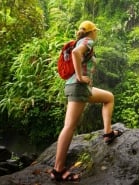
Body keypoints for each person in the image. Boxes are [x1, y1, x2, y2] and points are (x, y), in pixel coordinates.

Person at [50, 21, 122, 182]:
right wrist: (81, 77)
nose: (96, 33)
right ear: (92, 32)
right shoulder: (87, 42)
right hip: (78, 87)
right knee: (69, 127)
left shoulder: (79, 42)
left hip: (78, 87)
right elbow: (76, 53)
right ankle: (58, 170)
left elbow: (77, 55)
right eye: (95, 31)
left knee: (108, 97)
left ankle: (108, 133)